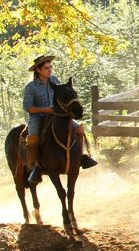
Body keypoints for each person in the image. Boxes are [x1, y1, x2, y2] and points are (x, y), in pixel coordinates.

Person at [23, 55, 98, 186]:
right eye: (46, 68)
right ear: (39, 70)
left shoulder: (55, 80)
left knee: (79, 129)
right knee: (33, 138)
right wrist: (46, 110)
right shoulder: (31, 87)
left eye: (50, 67)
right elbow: (28, 107)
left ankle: (81, 156)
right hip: (38, 117)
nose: (49, 70)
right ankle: (35, 166)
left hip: (56, 115)